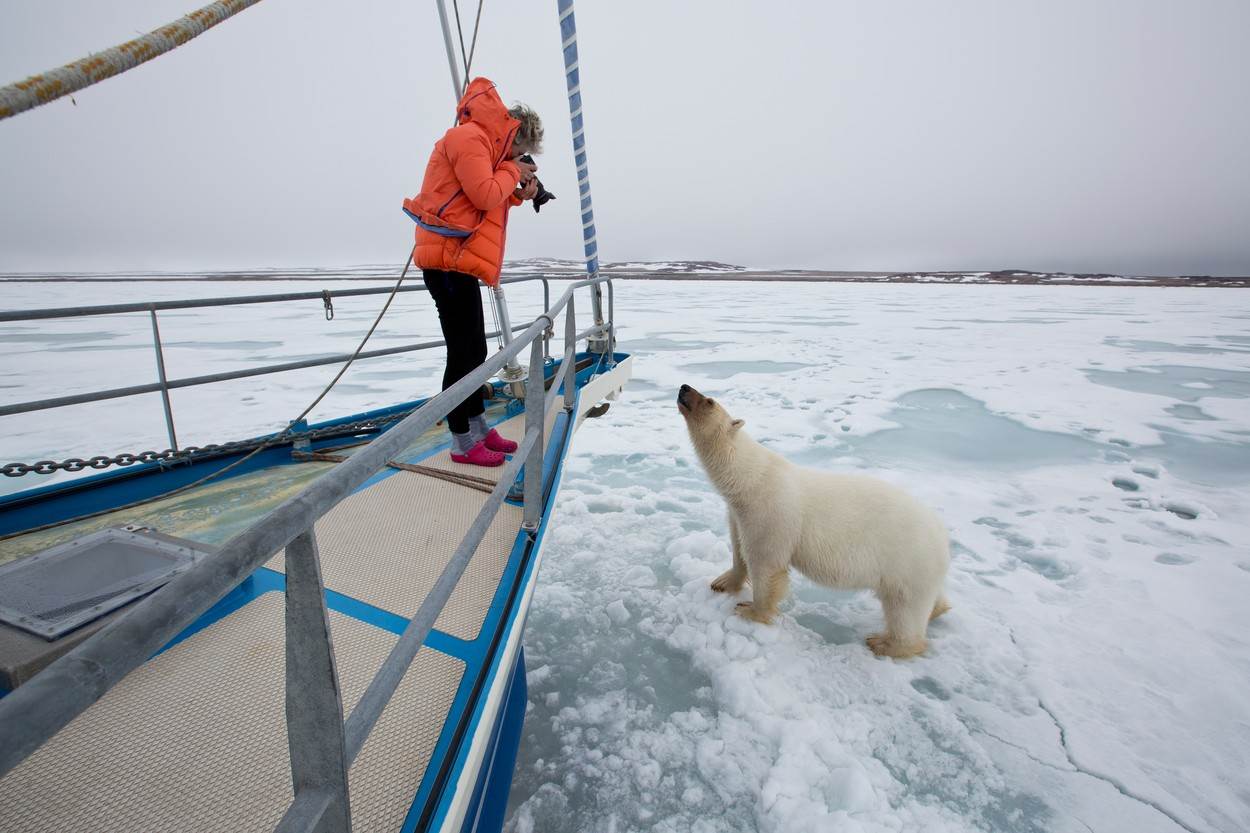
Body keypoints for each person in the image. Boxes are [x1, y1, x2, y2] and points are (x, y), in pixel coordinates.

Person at [403, 77, 543, 467]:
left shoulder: (483, 147)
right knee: (462, 353)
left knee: (474, 352)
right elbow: (483, 193)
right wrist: (513, 174)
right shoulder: (469, 139)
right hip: (447, 260)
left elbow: (483, 200)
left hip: (458, 260)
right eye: (520, 151)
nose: (517, 157)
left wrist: (520, 190)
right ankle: (461, 440)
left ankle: (477, 428)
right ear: (512, 134)